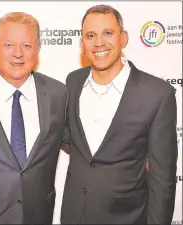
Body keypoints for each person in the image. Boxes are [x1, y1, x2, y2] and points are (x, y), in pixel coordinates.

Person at [61, 5, 178, 224]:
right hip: (74, 215)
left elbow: (163, 179)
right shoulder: (72, 82)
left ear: (123, 38)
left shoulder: (157, 93)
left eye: (108, 33)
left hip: (128, 218)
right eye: (90, 35)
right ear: (82, 43)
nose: (99, 43)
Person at [0, 12, 67, 224]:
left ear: (38, 48)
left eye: (27, 46)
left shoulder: (59, 93)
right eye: (9, 45)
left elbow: (82, 147)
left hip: (39, 216)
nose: (18, 54)